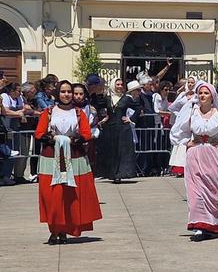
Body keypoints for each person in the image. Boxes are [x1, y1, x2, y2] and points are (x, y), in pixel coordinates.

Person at [170, 81, 218, 241]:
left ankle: (215, 223)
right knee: (196, 192)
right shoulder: (191, 112)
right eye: (200, 93)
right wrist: (186, 142)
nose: (202, 96)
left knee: (216, 191)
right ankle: (199, 225)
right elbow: (177, 130)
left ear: (212, 96)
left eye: (206, 93)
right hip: (195, 155)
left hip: (214, 156)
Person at [34, 80, 102, 244]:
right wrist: (52, 138)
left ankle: (65, 230)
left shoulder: (79, 113)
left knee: (71, 195)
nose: (66, 95)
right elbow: (39, 133)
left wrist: (74, 139)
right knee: (52, 195)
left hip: (74, 156)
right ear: (57, 93)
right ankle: (54, 229)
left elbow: (86, 133)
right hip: (51, 157)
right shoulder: (48, 112)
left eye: (69, 92)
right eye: (63, 91)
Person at [97, 80, 142, 183]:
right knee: (111, 151)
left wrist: (131, 119)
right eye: (117, 84)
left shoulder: (126, 99)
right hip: (110, 127)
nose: (120, 86)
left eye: (121, 85)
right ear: (113, 85)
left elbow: (138, 107)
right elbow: (98, 106)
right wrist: (103, 117)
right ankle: (111, 173)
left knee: (122, 151)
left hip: (122, 128)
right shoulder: (107, 99)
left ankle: (120, 174)